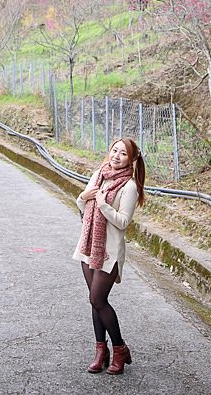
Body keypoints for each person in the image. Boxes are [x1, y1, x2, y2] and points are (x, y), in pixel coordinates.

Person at [72, 137, 146, 375]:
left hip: (109, 252)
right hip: (89, 247)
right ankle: (100, 351)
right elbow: (82, 210)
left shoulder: (129, 187)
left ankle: (119, 349)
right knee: (95, 302)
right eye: (114, 151)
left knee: (98, 300)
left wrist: (103, 204)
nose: (116, 156)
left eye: (123, 154)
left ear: (131, 160)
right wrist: (84, 197)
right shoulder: (99, 174)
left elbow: (123, 222)